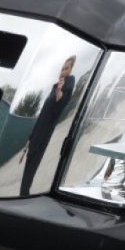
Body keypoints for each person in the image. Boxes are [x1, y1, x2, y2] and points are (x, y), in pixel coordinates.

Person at [19, 56, 77, 196]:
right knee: (28, 166)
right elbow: (42, 116)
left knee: (32, 167)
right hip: (36, 135)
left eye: (66, 68)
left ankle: (24, 195)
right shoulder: (54, 88)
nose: (63, 71)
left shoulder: (68, 83)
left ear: (71, 69)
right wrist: (28, 141)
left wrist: (60, 90)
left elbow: (60, 105)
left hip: (44, 135)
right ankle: (23, 193)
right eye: (62, 68)